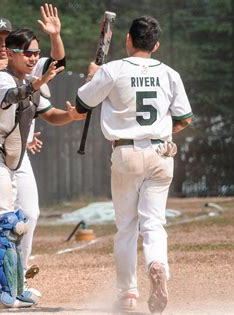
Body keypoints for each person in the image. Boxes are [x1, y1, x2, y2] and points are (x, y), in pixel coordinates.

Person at [76, 16, 193, 313]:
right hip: (161, 152)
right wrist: (164, 134)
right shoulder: (169, 73)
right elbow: (185, 118)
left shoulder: (113, 70)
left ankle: (128, 293)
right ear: (156, 44)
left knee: (127, 227)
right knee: (154, 223)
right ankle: (157, 264)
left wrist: (92, 76)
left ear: (128, 39)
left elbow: (82, 103)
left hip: (126, 153)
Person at [0, 28, 85, 306]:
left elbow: (50, 114)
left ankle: (14, 286)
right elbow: (13, 96)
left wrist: (72, 115)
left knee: (19, 222)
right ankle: (2, 293)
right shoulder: (0, 79)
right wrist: (39, 81)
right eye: (28, 53)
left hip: (6, 159)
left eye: (36, 54)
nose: (33, 58)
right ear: (11, 53)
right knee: (7, 225)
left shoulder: (30, 80)